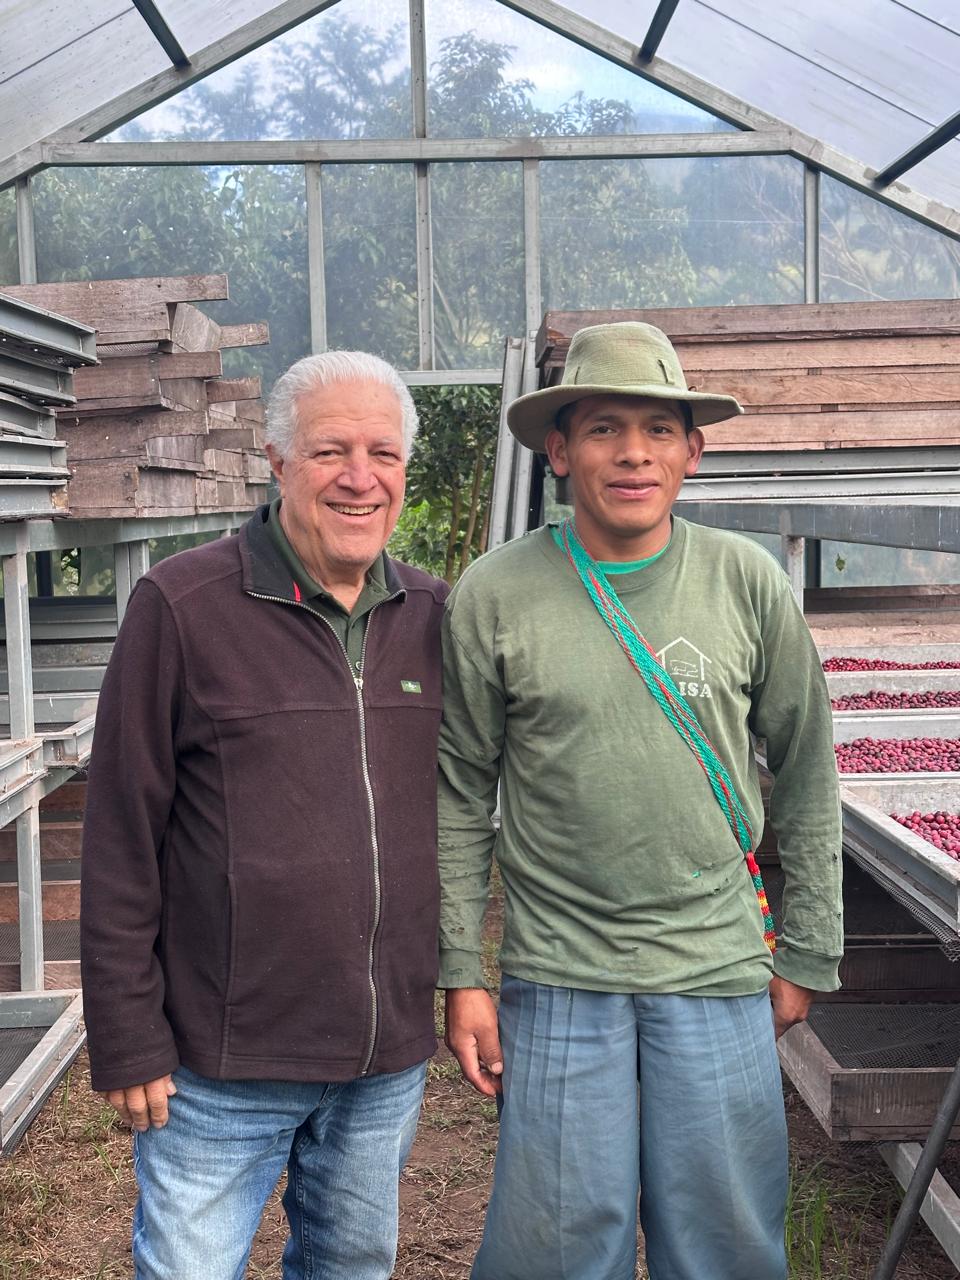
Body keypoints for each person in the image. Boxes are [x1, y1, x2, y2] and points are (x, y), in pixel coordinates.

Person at [438, 321, 843, 1280]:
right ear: (559, 451)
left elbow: (807, 767)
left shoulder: (745, 581)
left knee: (724, 1241)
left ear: (692, 451)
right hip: (558, 970)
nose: (633, 453)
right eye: (604, 428)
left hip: (716, 964)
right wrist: (460, 971)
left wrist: (810, 950)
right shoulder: (494, 595)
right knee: (558, 1246)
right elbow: (458, 792)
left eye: (659, 429)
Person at [80, 350, 448, 1280]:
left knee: (352, 1265)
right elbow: (121, 834)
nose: (360, 477)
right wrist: (127, 1034)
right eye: (330, 451)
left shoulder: (435, 615)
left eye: (383, 453)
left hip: (381, 1061)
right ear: (278, 461)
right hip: (219, 1064)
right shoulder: (182, 607)